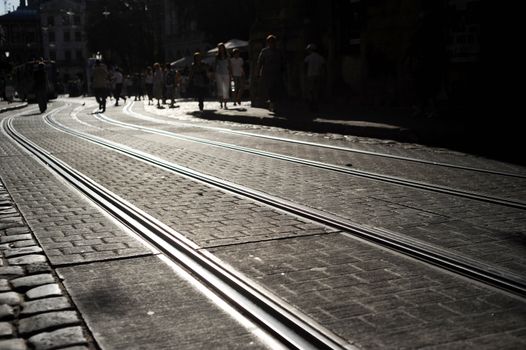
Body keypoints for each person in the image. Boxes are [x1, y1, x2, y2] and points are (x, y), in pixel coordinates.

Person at [256, 34, 285, 112]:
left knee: (276, 89)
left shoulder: (278, 51)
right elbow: (260, 63)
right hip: (267, 74)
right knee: (270, 89)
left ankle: (274, 104)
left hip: (276, 73)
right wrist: (258, 73)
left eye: (273, 42)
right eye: (270, 42)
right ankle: (272, 105)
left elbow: (282, 63)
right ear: (268, 43)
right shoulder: (264, 51)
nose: (271, 43)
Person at [304, 44, 325, 112]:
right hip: (318, 75)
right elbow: (323, 67)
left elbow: (305, 66)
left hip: (310, 75)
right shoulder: (320, 57)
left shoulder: (308, 57)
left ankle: (311, 105)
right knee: (316, 91)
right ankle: (316, 105)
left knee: (310, 91)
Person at [214, 43, 232, 109]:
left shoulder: (227, 56)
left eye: (222, 47)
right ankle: (221, 103)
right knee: (220, 88)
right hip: (218, 73)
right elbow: (215, 65)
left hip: (226, 73)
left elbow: (230, 65)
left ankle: (225, 104)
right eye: (219, 48)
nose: (221, 49)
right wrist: (214, 73)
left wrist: (231, 73)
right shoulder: (217, 56)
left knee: (226, 88)